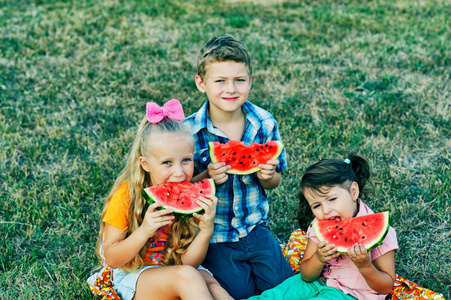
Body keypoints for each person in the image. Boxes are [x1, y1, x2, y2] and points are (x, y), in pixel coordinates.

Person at [183, 35, 293, 299]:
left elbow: (275, 180)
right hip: (214, 236)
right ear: (201, 83)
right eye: (220, 81)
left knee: (283, 290)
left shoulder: (264, 123)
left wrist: (268, 175)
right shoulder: (188, 132)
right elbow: (181, 191)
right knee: (239, 293)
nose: (230, 89)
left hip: (256, 227)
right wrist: (206, 177)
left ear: (250, 82)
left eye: (239, 80)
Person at [88, 100, 233, 300]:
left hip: (176, 270)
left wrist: (206, 231)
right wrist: (144, 231)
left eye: (186, 160)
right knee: (188, 277)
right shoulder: (125, 196)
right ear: (145, 164)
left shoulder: (187, 193)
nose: (179, 172)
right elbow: (112, 259)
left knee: (211, 284)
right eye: (167, 162)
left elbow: (188, 264)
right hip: (132, 275)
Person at [246, 153, 398, 300]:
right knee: (275, 295)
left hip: (350, 294)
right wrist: (318, 258)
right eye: (317, 205)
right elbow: (306, 274)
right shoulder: (319, 224)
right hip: (315, 282)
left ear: (353, 191)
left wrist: (365, 266)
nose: (325, 211)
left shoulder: (383, 232)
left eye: (332, 199)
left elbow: (385, 287)